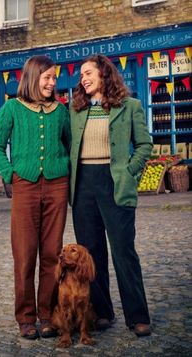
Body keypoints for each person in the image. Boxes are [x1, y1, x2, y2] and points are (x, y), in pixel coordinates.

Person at [69, 54, 153, 337]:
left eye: (88, 72)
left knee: (123, 251)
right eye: (81, 74)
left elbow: (144, 145)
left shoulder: (130, 106)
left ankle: (138, 316)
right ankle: (103, 312)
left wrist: (129, 172)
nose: (83, 78)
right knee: (91, 254)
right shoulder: (76, 109)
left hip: (115, 182)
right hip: (83, 187)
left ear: (104, 74)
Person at [0, 55, 71, 339]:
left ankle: (47, 315)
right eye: (47, 77)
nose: (52, 83)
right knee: (25, 255)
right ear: (32, 77)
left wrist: (68, 180)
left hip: (57, 185)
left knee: (52, 254)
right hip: (24, 186)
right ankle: (26, 318)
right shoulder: (11, 108)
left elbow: (69, 146)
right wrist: (10, 174)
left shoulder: (61, 111)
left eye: (54, 78)